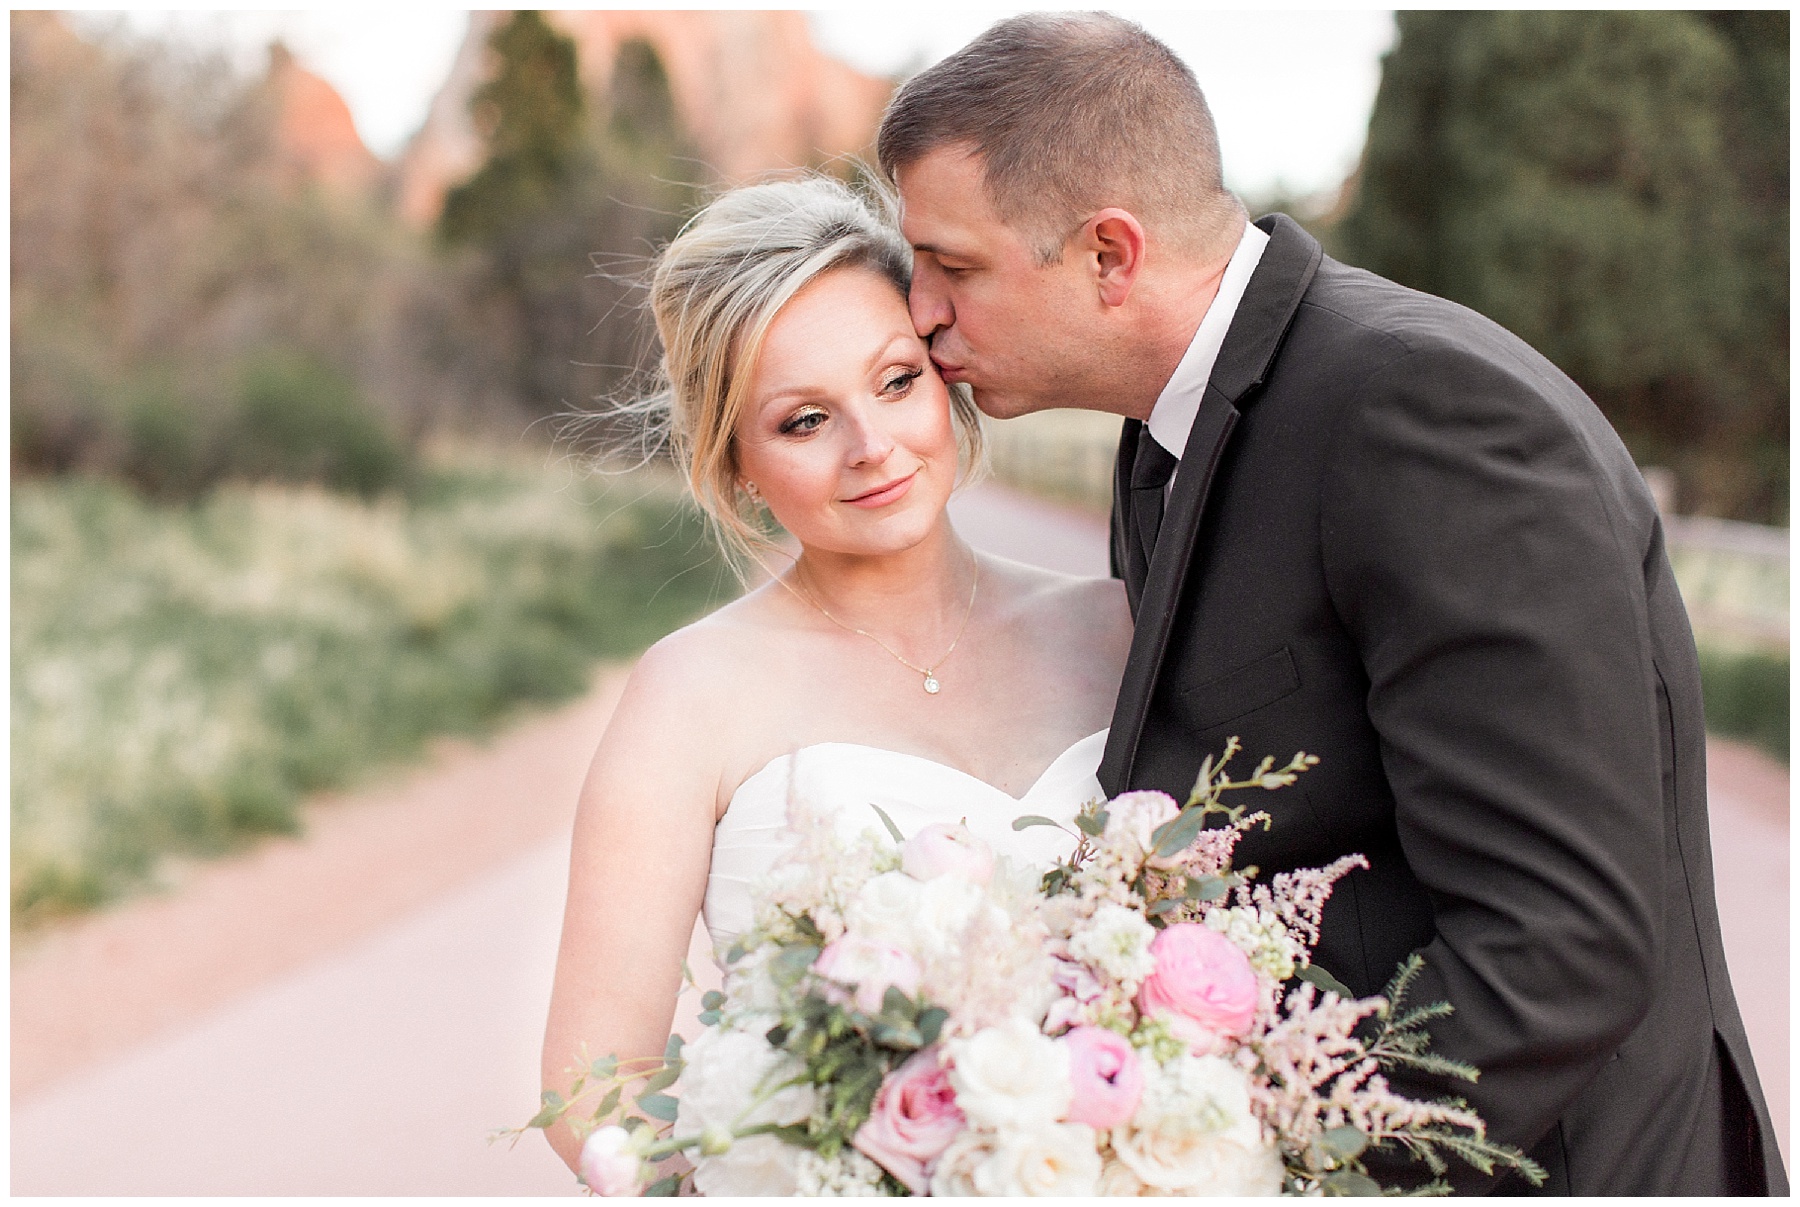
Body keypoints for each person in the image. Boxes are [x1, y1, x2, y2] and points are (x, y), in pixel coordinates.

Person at [877, 12, 1785, 1196]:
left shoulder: (1426, 416)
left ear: (1110, 254)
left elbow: (1561, 950)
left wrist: (1256, 1164)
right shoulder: (1168, 432)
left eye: (954, 266)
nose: (922, 311)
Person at [539, 177, 1132, 1174]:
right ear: (735, 463)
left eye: (895, 381)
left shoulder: (1114, 628)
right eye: (805, 420)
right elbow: (594, 1086)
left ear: (945, 373)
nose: (873, 448)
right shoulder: (688, 698)